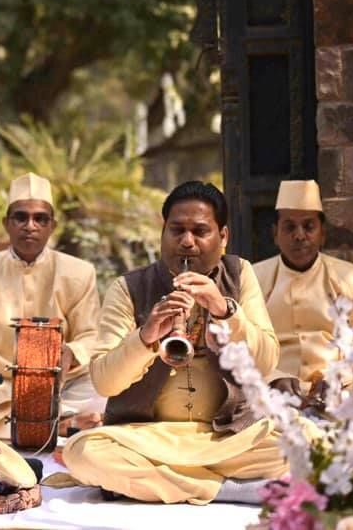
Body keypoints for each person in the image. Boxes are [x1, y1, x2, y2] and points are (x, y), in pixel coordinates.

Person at [61, 181, 286, 504]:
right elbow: (103, 382)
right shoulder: (128, 288)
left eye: (200, 231)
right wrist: (146, 336)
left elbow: (264, 362)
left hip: (225, 434)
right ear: (162, 232)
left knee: (300, 442)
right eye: (176, 230)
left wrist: (224, 310)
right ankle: (229, 489)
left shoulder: (240, 274)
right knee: (84, 454)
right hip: (148, 435)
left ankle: (152, 483)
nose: (187, 242)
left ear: (223, 237)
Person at [0, 172, 104, 440]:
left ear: (52, 226)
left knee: (104, 390)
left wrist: (72, 352)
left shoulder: (80, 272)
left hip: (61, 390)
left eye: (40, 219)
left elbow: (91, 335)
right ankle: (57, 427)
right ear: (7, 224)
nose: (30, 225)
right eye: (21, 217)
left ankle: (22, 426)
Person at [253, 180, 353, 395]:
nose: (300, 235)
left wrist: (341, 377)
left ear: (323, 233)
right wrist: (273, 378)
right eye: (289, 227)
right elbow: (246, 345)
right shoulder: (254, 278)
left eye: (309, 227)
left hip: (341, 395)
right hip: (270, 394)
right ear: (275, 234)